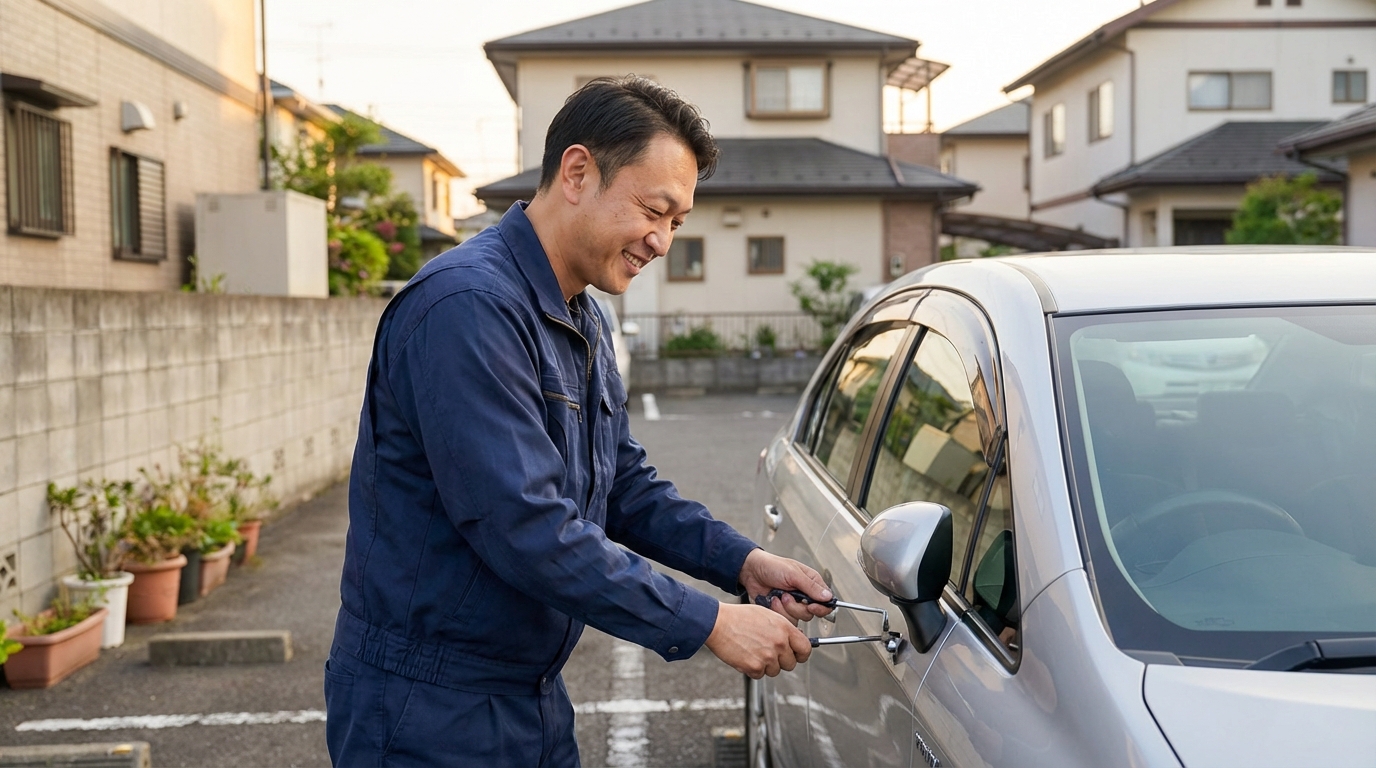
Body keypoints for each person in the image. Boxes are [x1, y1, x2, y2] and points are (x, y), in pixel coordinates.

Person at [324, 75, 833, 767]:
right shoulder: (466, 307)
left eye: (677, 223)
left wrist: (741, 562)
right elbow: (525, 527)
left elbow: (620, 483)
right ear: (577, 173)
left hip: (528, 694)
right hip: (428, 707)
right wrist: (708, 621)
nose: (662, 241)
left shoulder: (581, 313)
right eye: (654, 210)